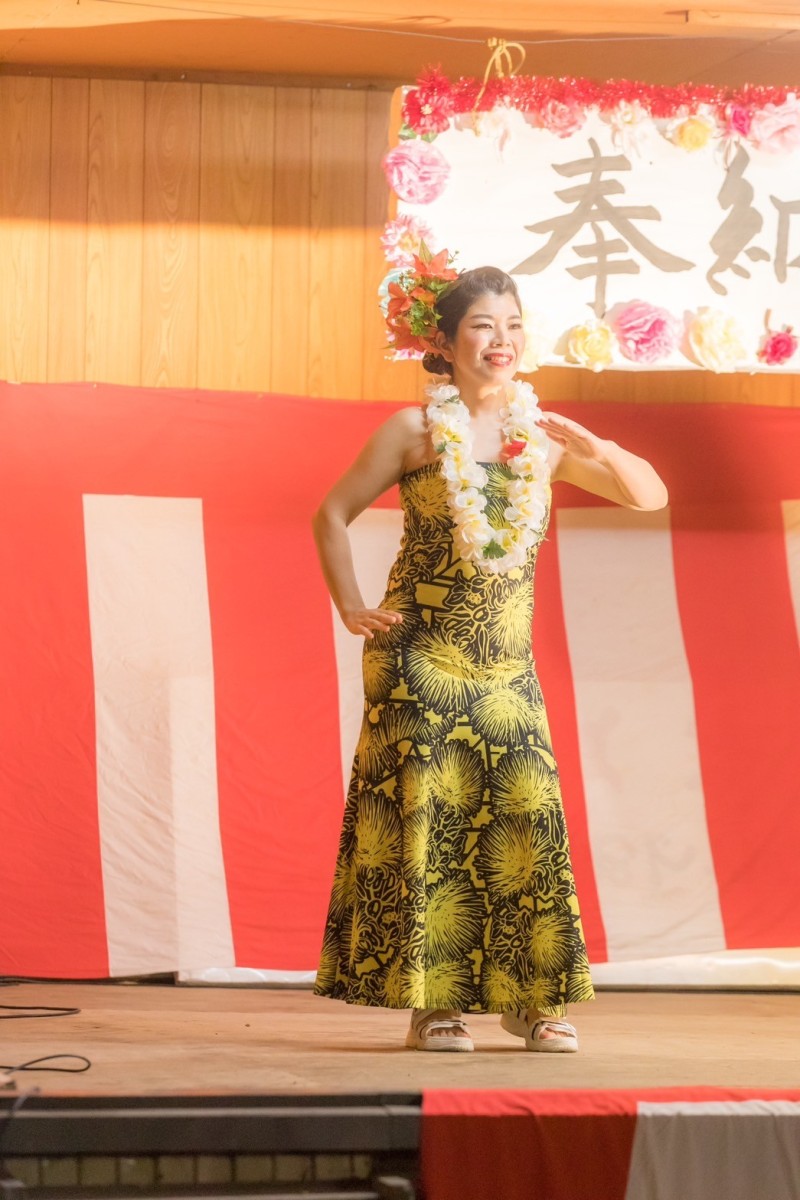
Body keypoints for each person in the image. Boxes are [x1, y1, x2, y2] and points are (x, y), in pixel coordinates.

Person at [311, 259, 668, 1052]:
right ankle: (432, 1007)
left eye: (512, 325)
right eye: (482, 326)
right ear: (445, 343)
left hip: (506, 664)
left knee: (523, 822)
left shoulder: (539, 441)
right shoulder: (411, 431)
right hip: (420, 656)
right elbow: (331, 514)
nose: (501, 340)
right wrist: (350, 605)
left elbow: (651, 496)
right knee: (432, 823)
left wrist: (600, 446)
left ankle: (530, 1000)